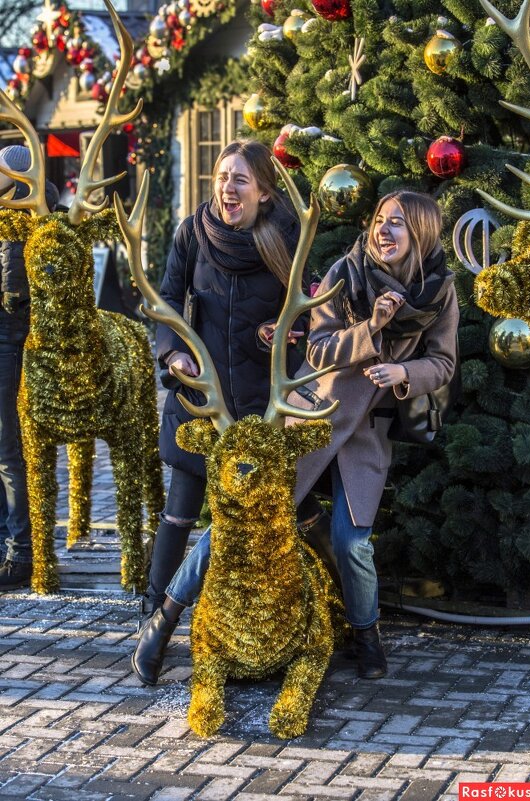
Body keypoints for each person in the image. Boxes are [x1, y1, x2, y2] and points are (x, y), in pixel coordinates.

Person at [132, 189, 459, 687]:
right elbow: (321, 349)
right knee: (245, 516)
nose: (384, 231)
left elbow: (443, 363)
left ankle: (366, 635)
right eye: (380, 220)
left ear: (422, 236)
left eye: (399, 224)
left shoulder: (438, 292)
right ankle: (164, 620)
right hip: (310, 419)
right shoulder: (344, 275)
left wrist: (404, 372)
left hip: (364, 435)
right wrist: (372, 329)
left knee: (353, 544)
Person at [142, 139, 326, 627]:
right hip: (201, 402)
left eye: (239, 179)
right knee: (179, 510)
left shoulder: (286, 238)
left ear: (264, 192)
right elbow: (165, 302)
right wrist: (172, 351)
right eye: (223, 177)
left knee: (296, 505)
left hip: (259, 409)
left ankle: (341, 601)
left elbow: (307, 316)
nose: (227, 187)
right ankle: (153, 613)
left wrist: (282, 336)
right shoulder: (192, 233)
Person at [0, 145, 60, 589]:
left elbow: (15, 299)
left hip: (13, 345)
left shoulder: (26, 225)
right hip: (9, 340)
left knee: (8, 451)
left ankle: (20, 553)